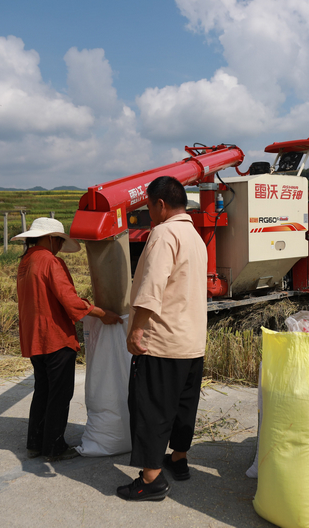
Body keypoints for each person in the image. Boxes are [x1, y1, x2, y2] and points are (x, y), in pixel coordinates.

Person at [116, 176, 208, 502]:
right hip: (192, 341)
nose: (149, 214)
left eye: (149, 207)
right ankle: (178, 460)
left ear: (160, 204)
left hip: (162, 340)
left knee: (151, 408)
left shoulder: (164, 233)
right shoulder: (195, 237)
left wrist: (137, 329)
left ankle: (151, 479)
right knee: (183, 406)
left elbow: (152, 286)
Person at [12, 217, 122, 462]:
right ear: (51, 238)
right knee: (60, 394)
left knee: (43, 390)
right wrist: (102, 314)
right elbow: (70, 301)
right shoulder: (51, 261)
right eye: (60, 241)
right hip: (55, 337)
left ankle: (35, 443)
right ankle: (54, 447)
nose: (61, 246)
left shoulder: (26, 261)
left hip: (34, 337)